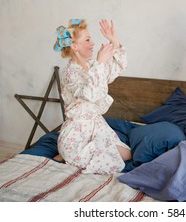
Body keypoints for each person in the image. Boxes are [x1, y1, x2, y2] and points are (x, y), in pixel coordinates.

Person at [53, 18, 131, 174]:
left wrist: (112, 39)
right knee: (115, 161)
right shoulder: (70, 73)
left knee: (127, 154)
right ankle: (67, 154)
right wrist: (100, 62)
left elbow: (118, 66)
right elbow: (91, 94)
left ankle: (68, 157)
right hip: (76, 135)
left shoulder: (91, 66)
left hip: (96, 127)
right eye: (87, 39)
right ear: (74, 46)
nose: (93, 43)